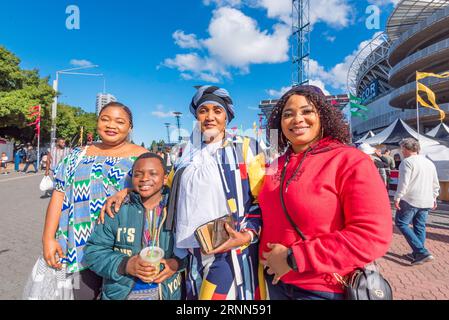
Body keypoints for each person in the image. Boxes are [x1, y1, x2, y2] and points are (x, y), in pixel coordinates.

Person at [102, 85, 266, 300]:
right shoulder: (183, 151)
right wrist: (127, 191)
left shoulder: (245, 148)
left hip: (229, 251)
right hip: (189, 252)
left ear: (227, 117)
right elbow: (165, 190)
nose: (209, 117)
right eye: (203, 110)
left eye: (217, 111)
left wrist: (246, 235)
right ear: (196, 115)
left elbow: (264, 200)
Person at [259, 85, 392, 300]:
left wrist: (295, 257)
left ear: (323, 116)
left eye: (307, 111)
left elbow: (371, 235)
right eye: (288, 114)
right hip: (275, 283)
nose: (297, 119)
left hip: (323, 288)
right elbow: (262, 214)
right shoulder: (275, 165)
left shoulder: (349, 160)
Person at [40, 102, 147, 300]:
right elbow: (59, 194)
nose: (111, 125)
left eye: (119, 121)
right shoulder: (77, 155)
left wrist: (129, 190)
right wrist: (48, 238)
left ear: (130, 127)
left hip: (122, 248)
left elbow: (158, 191)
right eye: (105, 119)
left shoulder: (142, 156)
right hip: (78, 248)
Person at [85, 153, 185, 300]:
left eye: (153, 173)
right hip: (122, 293)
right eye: (138, 174)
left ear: (165, 178)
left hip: (167, 292)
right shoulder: (117, 210)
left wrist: (177, 263)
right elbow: (93, 252)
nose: (145, 178)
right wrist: (125, 264)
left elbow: (192, 249)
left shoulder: (178, 209)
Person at [394, 138, 439, 265]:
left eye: (402, 148)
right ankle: (418, 252)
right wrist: (434, 197)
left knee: (401, 223)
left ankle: (421, 251)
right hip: (426, 199)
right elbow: (435, 182)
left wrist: (397, 197)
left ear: (405, 149)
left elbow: (404, 183)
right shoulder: (429, 162)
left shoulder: (407, 162)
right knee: (420, 226)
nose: (401, 151)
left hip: (411, 199)